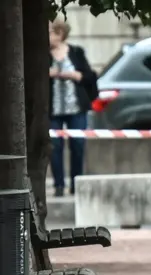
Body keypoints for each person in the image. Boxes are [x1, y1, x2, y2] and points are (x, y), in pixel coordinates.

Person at [49, 19, 97, 197]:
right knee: (54, 146)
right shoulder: (42, 56)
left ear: (60, 34)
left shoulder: (76, 52)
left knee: (78, 145)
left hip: (75, 107)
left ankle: (77, 184)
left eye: (50, 33)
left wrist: (77, 75)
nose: (47, 36)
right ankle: (59, 185)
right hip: (52, 109)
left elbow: (90, 76)